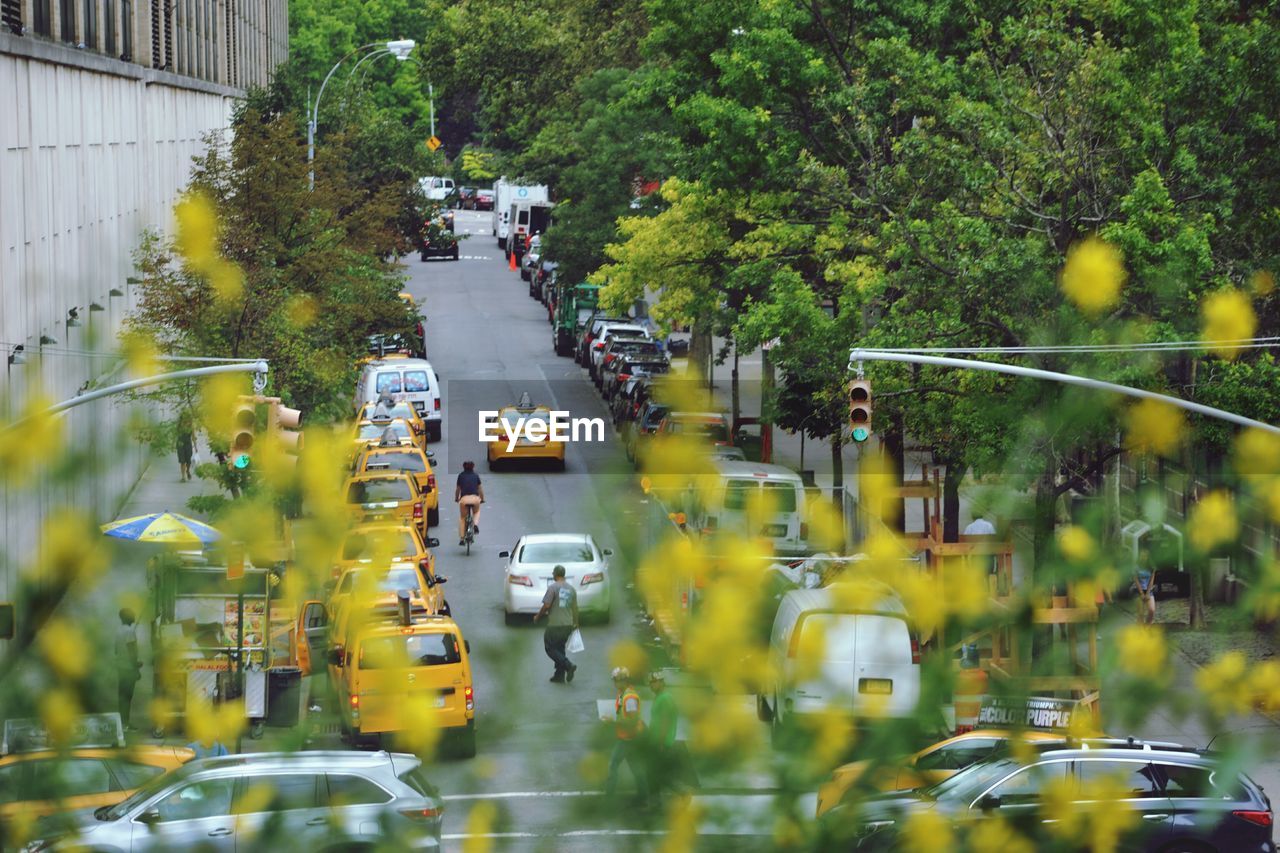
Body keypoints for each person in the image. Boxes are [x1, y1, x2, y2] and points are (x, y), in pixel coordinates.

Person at [604, 667, 648, 805]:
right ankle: (643, 797)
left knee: (613, 766)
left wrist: (613, 721)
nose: (615, 684)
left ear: (624, 681)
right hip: (628, 737)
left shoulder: (629, 698)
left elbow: (632, 720)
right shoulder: (623, 694)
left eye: (617, 681)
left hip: (628, 739)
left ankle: (609, 798)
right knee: (636, 768)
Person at [646, 670, 690, 799]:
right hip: (656, 742)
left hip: (662, 744)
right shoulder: (659, 698)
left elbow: (665, 723)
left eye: (654, 682)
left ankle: (683, 792)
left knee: (660, 775)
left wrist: (660, 743)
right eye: (650, 683)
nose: (651, 685)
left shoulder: (665, 698)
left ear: (661, 682)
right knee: (654, 774)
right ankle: (656, 802)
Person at [534, 565, 579, 683]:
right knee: (559, 648)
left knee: (550, 647)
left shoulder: (553, 588)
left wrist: (538, 616)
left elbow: (547, 605)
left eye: (553, 573)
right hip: (568, 624)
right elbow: (575, 608)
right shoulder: (571, 589)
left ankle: (568, 665)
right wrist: (576, 623)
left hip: (555, 624)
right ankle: (559, 675)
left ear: (555, 574)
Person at [115, 608, 142, 729]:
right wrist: (136, 666)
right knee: (128, 697)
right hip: (129, 669)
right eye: (132, 614)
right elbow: (132, 652)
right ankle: (125, 724)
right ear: (127, 617)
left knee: (122, 697)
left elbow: (116, 650)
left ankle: (122, 723)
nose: (135, 615)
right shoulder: (130, 631)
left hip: (121, 668)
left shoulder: (118, 631)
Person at [455, 461, 484, 545]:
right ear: (473, 467)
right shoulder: (476, 476)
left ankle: (462, 538)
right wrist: (482, 499)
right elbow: (480, 489)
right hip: (475, 499)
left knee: (463, 518)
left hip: (464, 499)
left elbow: (458, 489)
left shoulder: (460, 476)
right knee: (476, 512)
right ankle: (475, 524)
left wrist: (456, 498)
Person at [1134, 548, 1157, 625]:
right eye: (1142, 556)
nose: (1143, 558)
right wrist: (1141, 593)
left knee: (1151, 610)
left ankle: (1147, 628)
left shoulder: (1151, 568)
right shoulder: (1136, 567)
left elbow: (1151, 580)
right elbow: (1136, 580)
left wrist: (1147, 593)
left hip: (1148, 591)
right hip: (1138, 591)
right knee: (1140, 614)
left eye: (1145, 556)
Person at [175, 414, 194, 482]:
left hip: (188, 445)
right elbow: (175, 435)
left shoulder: (190, 426)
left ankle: (187, 471)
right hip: (180, 445)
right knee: (182, 461)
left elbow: (193, 436)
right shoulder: (179, 426)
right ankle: (183, 477)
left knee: (188, 461)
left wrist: (196, 446)